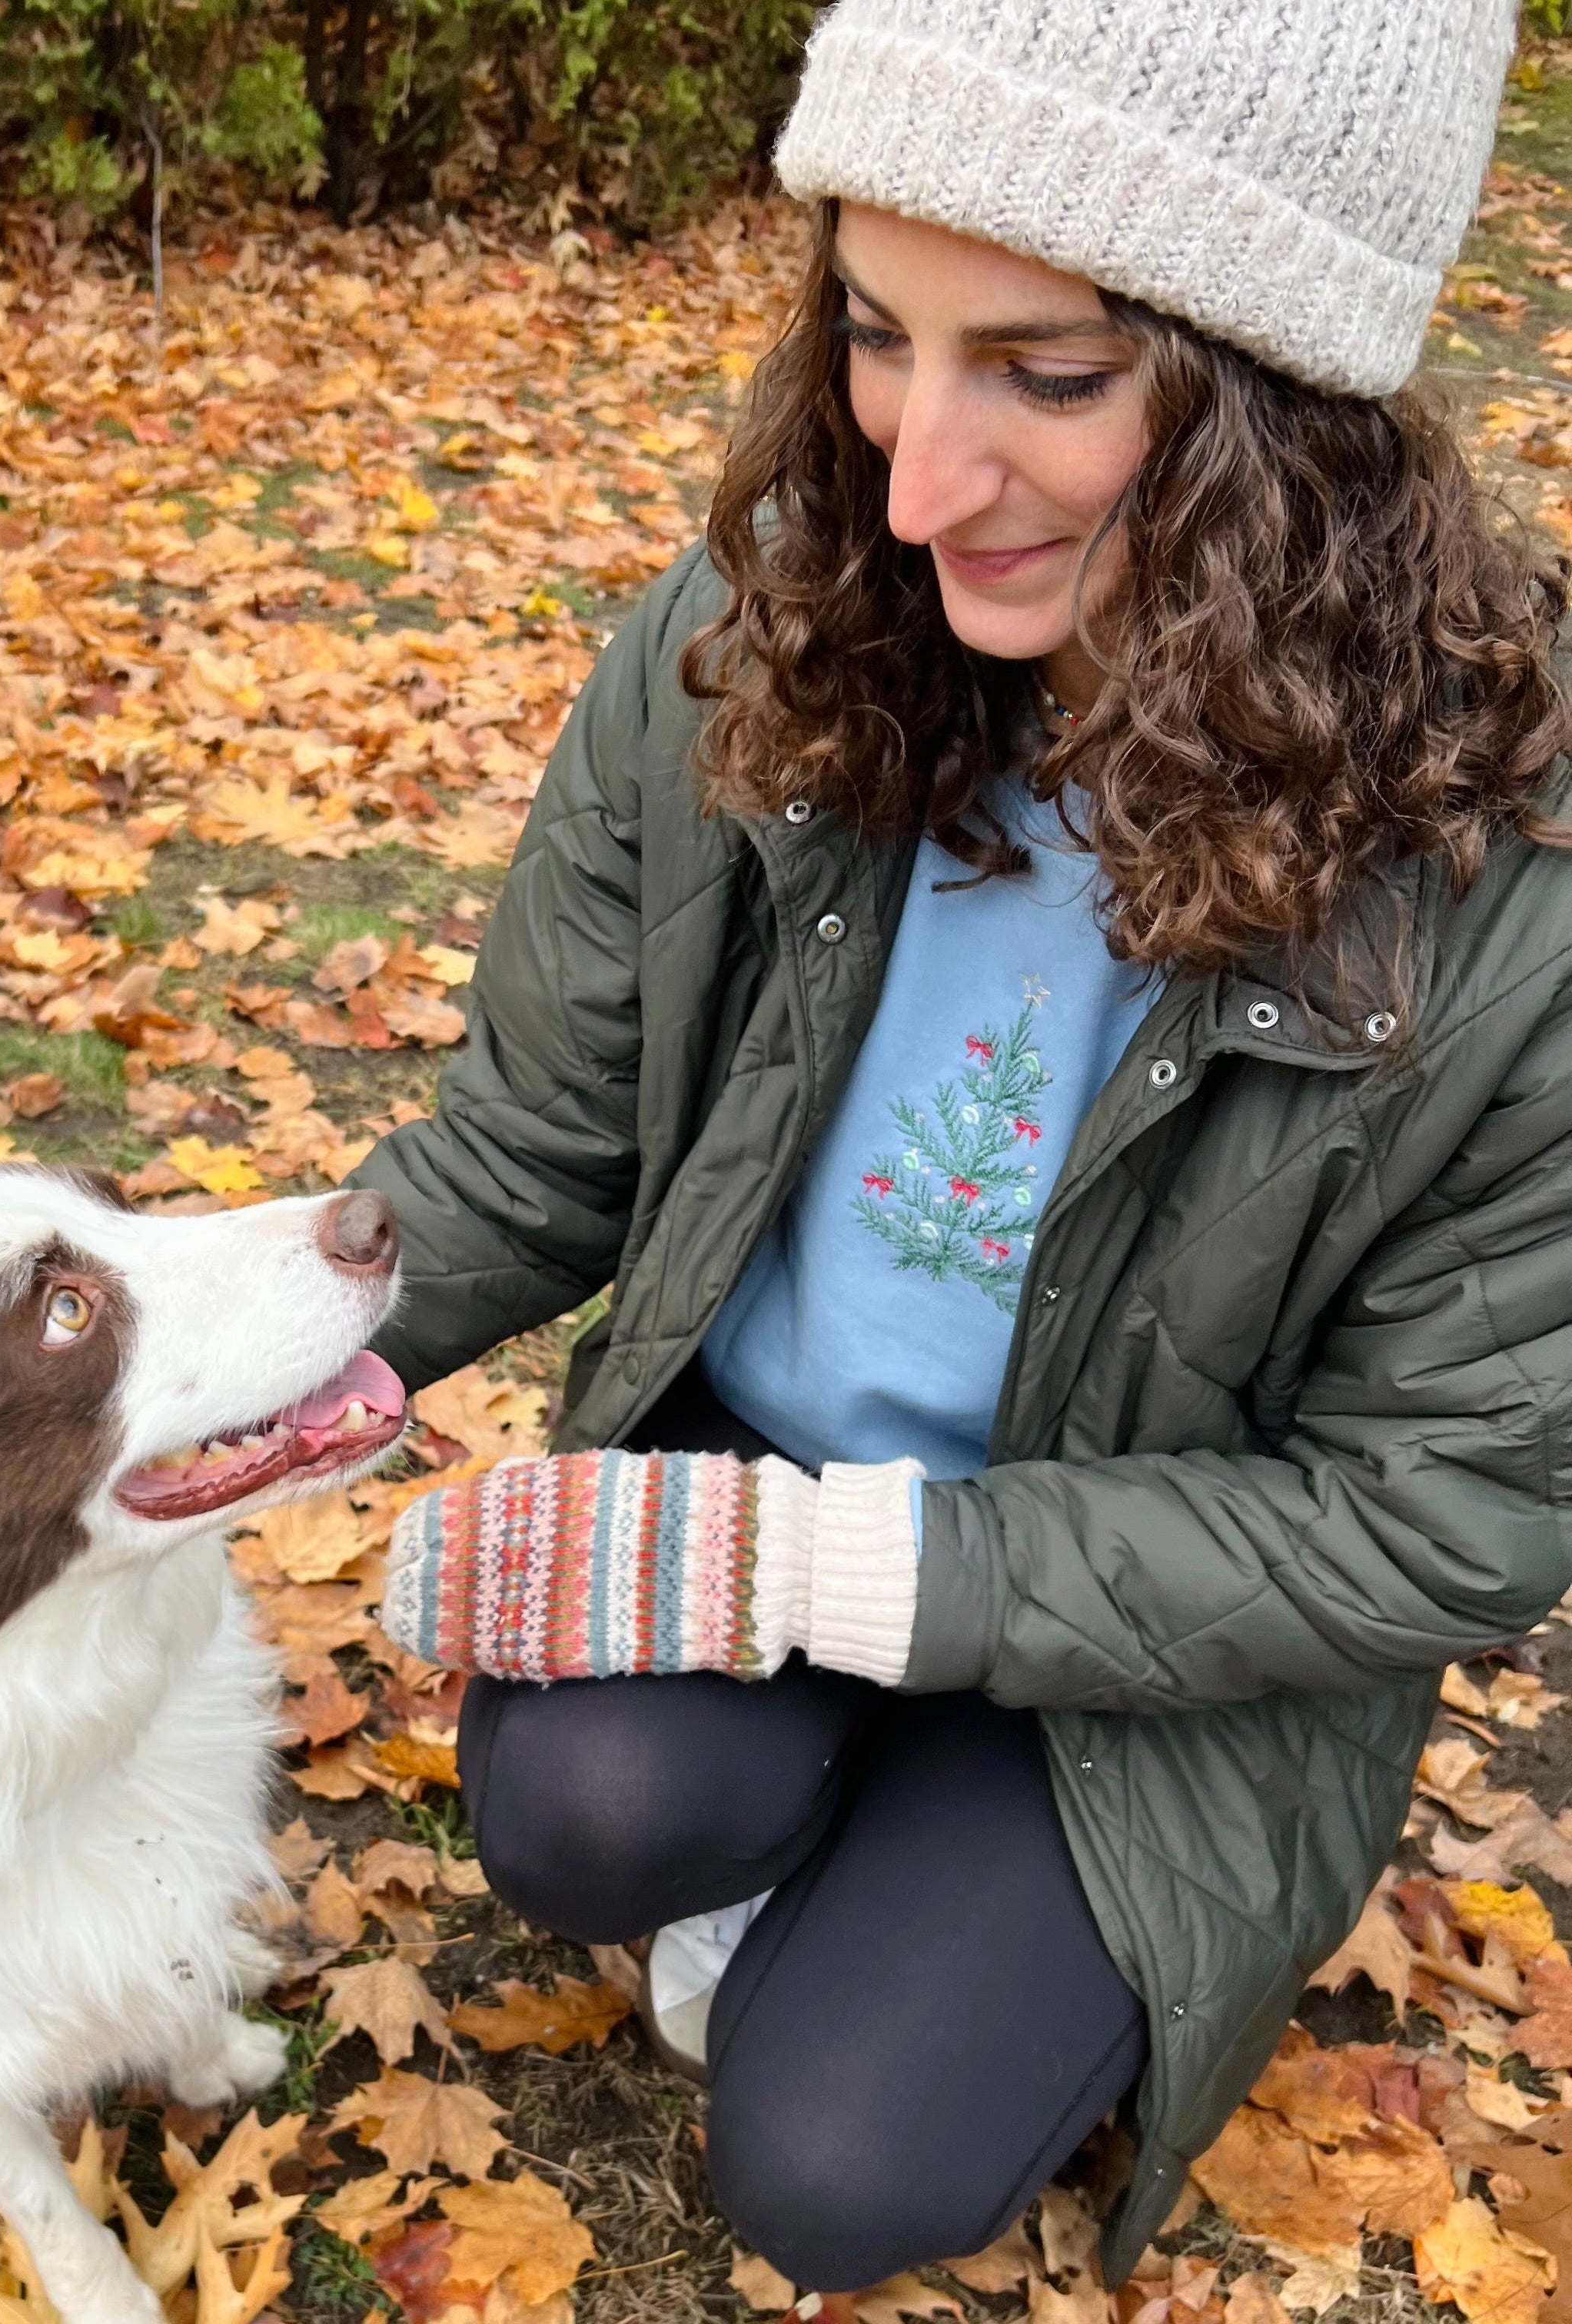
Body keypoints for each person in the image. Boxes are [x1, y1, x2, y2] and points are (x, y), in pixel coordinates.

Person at [349, 0, 1572, 2292]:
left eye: (1050, 371)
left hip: (1157, 1638)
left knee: (840, 2171)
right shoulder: (768, 640)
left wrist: (837, 1594)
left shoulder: (1512, 896)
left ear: (1285, 407)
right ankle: (843, 1825)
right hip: (773, 1464)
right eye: (876, 334)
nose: (911, 484)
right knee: (590, 1808)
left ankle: (952, 1867)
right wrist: (191, 1363)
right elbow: (535, 1137)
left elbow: (1444, 1517)